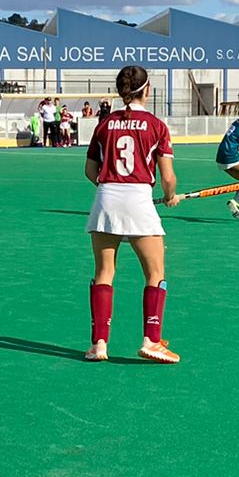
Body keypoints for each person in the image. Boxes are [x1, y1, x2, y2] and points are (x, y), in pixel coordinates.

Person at [83, 65, 181, 363]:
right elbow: (167, 177)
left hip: (105, 200)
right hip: (139, 200)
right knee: (155, 274)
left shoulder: (104, 124)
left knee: (104, 273)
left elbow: (90, 171)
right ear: (147, 89)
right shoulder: (156, 126)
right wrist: (169, 195)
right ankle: (151, 339)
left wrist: (112, 187)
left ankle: (99, 344)